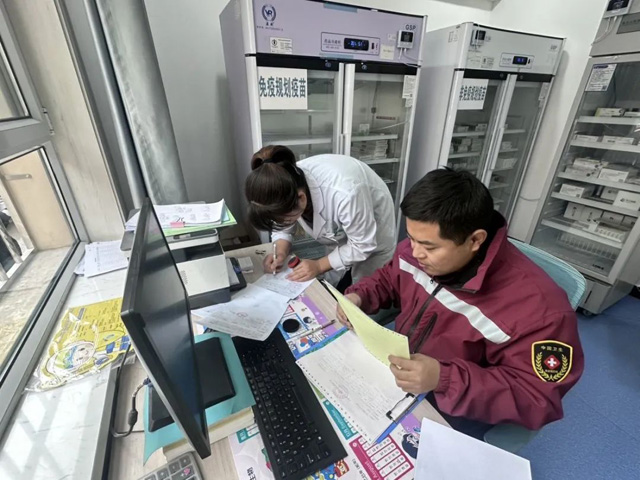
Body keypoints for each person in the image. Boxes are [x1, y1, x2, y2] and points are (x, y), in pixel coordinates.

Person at [337, 168, 584, 438]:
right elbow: (390, 277)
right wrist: (360, 295)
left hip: (455, 404)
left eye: (429, 246)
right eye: (411, 238)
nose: (415, 252)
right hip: (401, 374)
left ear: (475, 240)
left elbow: (537, 397)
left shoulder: (541, 310)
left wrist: (443, 379)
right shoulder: (418, 249)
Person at [245, 145, 396, 286]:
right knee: (335, 286)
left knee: (367, 291)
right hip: (343, 230)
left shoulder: (345, 192)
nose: (280, 223)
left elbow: (363, 244)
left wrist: (319, 265)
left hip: (373, 231)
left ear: (301, 198)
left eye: (282, 219)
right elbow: (282, 225)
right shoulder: (284, 183)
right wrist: (280, 252)